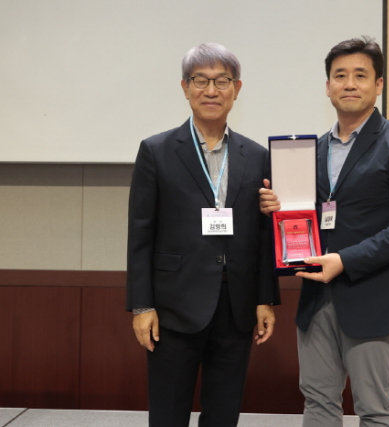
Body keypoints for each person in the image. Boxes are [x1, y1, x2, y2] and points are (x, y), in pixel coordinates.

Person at [260, 36, 389, 427]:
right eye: (340, 76)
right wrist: (275, 208)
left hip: (373, 297)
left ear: (379, 84)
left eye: (360, 75)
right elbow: (302, 216)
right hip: (316, 298)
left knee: (374, 408)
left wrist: (345, 260)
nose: (349, 84)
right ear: (328, 86)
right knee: (318, 403)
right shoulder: (311, 150)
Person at [127, 42, 279, 427]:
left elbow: (262, 235)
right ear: (185, 87)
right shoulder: (156, 151)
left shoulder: (256, 155)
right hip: (173, 305)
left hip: (236, 306)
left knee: (223, 415)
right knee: (168, 415)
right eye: (201, 80)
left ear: (237, 89)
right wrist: (142, 306)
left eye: (222, 81)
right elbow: (140, 235)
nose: (211, 90)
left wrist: (264, 298)